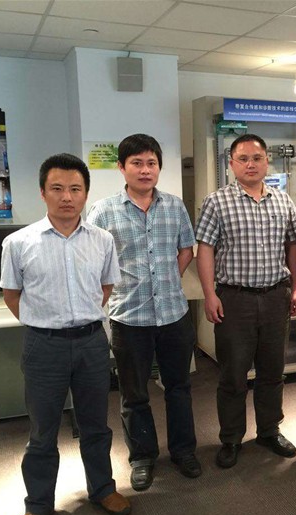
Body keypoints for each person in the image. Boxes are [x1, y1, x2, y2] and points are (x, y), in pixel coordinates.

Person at [1, 154, 130, 515]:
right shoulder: (18, 242)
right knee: (43, 431)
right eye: (57, 188)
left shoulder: (102, 240)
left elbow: (106, 287)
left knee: (96, 425)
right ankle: (37, 505)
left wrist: (81, 318)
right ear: (43, 193)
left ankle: (103, 489)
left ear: (86, 193)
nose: (67, 197)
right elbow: (12, 295)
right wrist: (45, 322)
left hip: (91, 343)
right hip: (44, 346)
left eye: (75, 189)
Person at [87, 134, 200, 491]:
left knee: (179, 387)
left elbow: (186, 249)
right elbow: (94, 261)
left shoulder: (175, 206)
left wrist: (168, 279)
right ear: (122, 167)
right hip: (129, 318)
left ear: (159, 168)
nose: (145, 170)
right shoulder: (103, 211)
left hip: (173, 314)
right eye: (137, 163)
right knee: (134, 394)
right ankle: (142, 457)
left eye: (151, 163)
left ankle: (184, 450)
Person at [195, 133, 296, 469]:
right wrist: (209, 294)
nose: (250, 164)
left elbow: (295, 245)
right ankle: (231, 438)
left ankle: (269, 430)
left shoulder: (283, 201)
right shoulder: (216, 201)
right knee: (233, 375)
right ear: (231, 164)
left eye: (256, 158)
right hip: (235, 300)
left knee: (272, 371)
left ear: (267, 161)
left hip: (275, 298)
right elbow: (205, 250)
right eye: (243, 159)